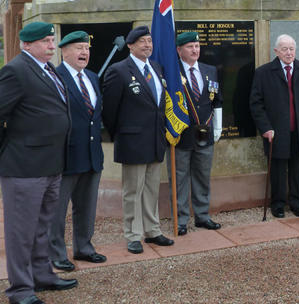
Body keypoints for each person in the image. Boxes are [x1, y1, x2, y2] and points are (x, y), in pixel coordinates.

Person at [0, 21, 77, 304]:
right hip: (23, 167)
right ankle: (20, 289)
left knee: (42, 225)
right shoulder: (16, 71)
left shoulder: (48, 69)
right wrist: (6, 150)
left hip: (51, 164)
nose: (51, 45)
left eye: (51, 40)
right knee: (21, 231)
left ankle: (42, 275)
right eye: (45, 41)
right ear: (27, 44)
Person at [102, 25, 174, 254]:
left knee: (152, 189)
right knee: (133, 191)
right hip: (132, 141)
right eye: (142, 41)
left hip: (155, 139)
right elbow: (110, 110)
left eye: (150, 41)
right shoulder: (119, 70)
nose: (148, 45)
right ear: (131, 46)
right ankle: (133, 234)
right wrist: (121, 135)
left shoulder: (156, 68)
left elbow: (158, 106)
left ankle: (153, 230)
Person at [49, 31, 106, 272]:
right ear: (64, 51)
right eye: (79, 48)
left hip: (92, 154)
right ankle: (56, 254)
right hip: (66, 156)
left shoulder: (92, 77)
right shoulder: (55, 76)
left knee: (86, 206)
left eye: (87, 48)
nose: (85, 52)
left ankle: (84, 247)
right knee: (57, 210)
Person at [250, 35, 299, 218]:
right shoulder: (263, 73)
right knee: (278, 171)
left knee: (297, 169)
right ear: (276, 51)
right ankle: (278, 204)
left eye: (292, 49)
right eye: (285, 49)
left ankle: (296, 203)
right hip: (276, 131)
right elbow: (256, 104)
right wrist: (265, 128)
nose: (289, 53)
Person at [172, 31, 223, 235]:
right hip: (181, 135)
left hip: (205, 134)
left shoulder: (209, 70)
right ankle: (181, 220)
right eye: (190, 46)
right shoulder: (172, 71)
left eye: (197, 46)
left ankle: (202, 216)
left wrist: (217, 127)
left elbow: (216, 100)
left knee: (203, 177)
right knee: (180, 178)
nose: (195, 50)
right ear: (179, 50)